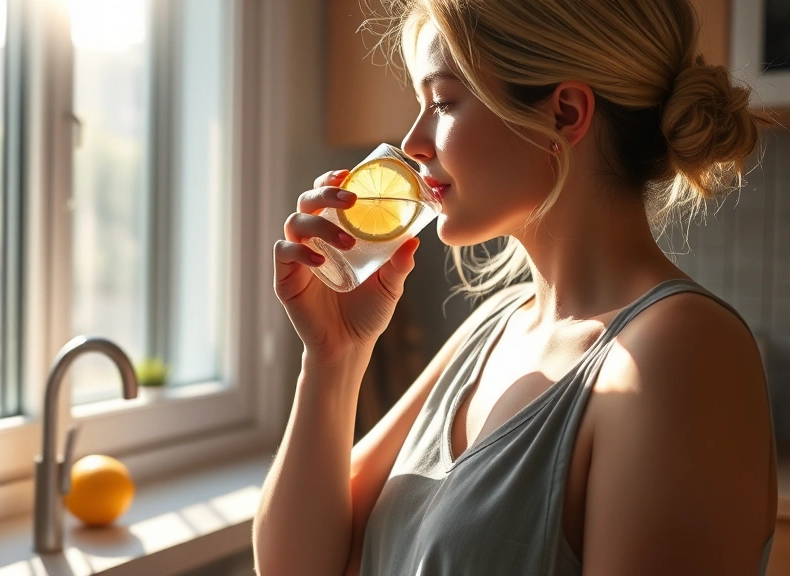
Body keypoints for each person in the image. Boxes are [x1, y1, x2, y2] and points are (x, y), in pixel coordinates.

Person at [253, 0, 778, 574]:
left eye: (443, 102)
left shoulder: (680, 351)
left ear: (565, 113)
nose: (414, 142)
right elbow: (294, 566)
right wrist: (335, 355)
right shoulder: (494, 326)